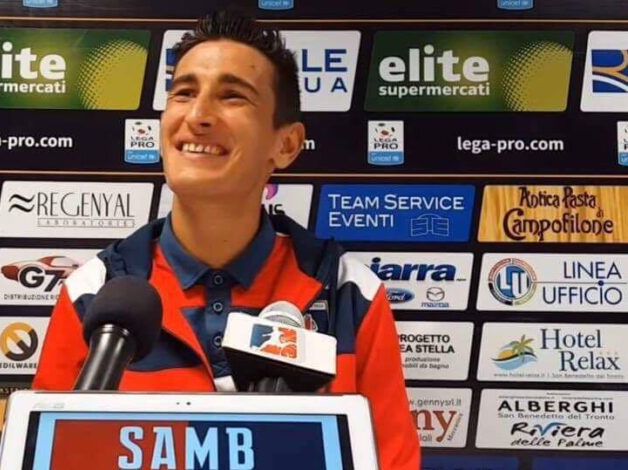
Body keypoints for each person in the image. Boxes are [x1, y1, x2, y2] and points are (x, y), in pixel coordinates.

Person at [33, 11, 420, 469]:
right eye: (183, 93)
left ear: (287, 144)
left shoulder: (348, 294)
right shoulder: (94, 294)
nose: (197, 116)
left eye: (232, 96)